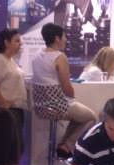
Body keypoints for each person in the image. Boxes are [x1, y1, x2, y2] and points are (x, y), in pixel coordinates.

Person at [31, 22, 97, 157]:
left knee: (79, 117)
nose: (66, 39)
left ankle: (64, 145)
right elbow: (67, 87)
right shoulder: (59, 57)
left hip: (39, 106)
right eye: (64, 36)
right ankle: (67, 145)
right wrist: (72, 97)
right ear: (57, 38)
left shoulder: (37, 55)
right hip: (57, 105)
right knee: (91, 117)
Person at [0, 28, 28, 137]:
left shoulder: (11, 60)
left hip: (16, 109)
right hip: (5, 112)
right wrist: (3, 103)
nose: (20, 44)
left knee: (16, 143)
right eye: (17, 41)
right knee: (8, 143)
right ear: (6, 43)